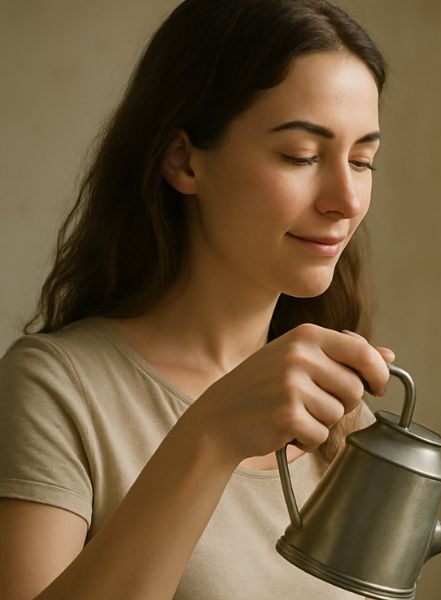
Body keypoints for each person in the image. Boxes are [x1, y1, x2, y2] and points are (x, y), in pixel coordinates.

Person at [0, 1, 394, 598]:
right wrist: (210, 435)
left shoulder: (343, 415)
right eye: (302, 156)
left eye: (362, 160)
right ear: (184, 159)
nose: (346, 198)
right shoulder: (57, 391)